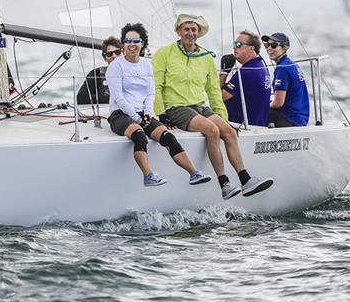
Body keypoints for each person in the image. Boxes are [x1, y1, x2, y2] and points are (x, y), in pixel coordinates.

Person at [152, 13, 273, 199]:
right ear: (178, 31)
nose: (190, 33)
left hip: (199, 106)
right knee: (212, 130)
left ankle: (246, 179)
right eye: (186, 29)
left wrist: (223, 117)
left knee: (229, 131)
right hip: (175, 108)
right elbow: (157, 84)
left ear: (199, 33)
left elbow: (213, 92)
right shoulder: (164, 53)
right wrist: (161, 113)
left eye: (194, 30)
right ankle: (224, 184)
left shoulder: (205, 57)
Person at [106, 22, 211, 187]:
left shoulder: (146, 65)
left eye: (136, 41)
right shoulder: (116, 66)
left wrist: (148, 113)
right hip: (121, 114)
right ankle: (148, 176)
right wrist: (136, 118)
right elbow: (118, 97)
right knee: (140, 136)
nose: (132, 45)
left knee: (167, 136)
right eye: (128, 41)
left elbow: (150, 93)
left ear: (142, 43)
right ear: (123, 44)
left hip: (142, 113)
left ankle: (194, 173)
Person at [220, 30, 271, 126]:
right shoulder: (260, 66)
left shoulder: (247, 71)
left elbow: (219, 97)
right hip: (258, 124)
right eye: (234, 44)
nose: (235, 47)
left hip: (240, 127)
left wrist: (224, 72)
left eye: (239, 44)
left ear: (251, 49)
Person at [263, 32, 310, 127]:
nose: (269, 48)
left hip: (289, 119)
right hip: (301, 118)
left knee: (256, 111)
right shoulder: (292, 64)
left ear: (285, 48)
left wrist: (262, 106)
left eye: (274, 45)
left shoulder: (282, 68)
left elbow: (278, 103)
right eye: (267, 45)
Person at [76, 37, 121, 105]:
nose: (114, 56)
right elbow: (81, 97)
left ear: (123, 53)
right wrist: (110, 99)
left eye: (117, 52)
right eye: (109, 54)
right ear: (104, 58)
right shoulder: (96, 74)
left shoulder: (134, 73)